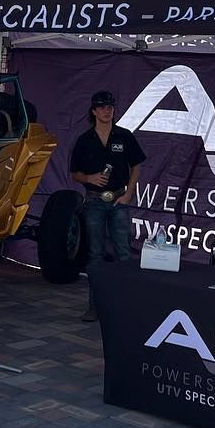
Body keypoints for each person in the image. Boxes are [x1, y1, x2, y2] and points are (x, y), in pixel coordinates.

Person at [70, 90, 146, 322]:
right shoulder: (84, 140)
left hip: (118, 198)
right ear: (93, 111)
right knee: (95, 254)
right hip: (94, 200)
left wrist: (129, 193)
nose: (107, 110)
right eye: (102, 107)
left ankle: (125, 304)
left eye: (110, 107)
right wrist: (89, 178)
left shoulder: (124, 136)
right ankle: (95, 305)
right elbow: (75, 173)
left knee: (123, 253)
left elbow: (137, 165)